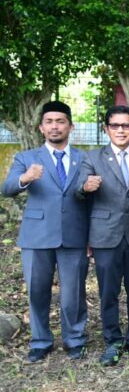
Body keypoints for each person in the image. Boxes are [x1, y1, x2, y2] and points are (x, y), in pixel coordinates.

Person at [2, 101, 90, 362]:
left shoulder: (84, 158)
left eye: (60, 121)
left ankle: (74, 339)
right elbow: (7, 188)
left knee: (73, 292)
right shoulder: (26, 158)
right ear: (41, 127)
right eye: (49, 121)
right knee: (37, 290)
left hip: (74, 233)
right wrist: (25, 178)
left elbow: (90, 197)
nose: (55, 126)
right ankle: (40, 341)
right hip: (37, 235)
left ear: (70, 126)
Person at [76, 106, 129, 366]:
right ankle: (112, 340)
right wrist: (85, 187)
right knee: (108, 293)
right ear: (106, 129)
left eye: (126, 126)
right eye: (115, 126)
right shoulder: (92, 158)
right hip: (104, 236)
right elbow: (79, 193)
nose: (121, 130)